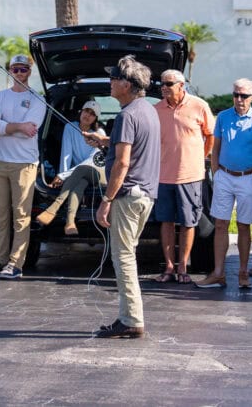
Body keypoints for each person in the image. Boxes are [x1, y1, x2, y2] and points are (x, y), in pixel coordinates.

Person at [93, 55, 160, 339]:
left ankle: (131, 320)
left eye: (115, 78)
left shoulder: (126, 116)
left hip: (128, 197)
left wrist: (106, 201)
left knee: (123, 258)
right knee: (127, 254)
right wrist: (107, 142)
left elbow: (122, 163)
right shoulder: (148, 111)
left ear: (128, 84)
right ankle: (130, 317)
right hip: (145, 195)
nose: (110, 82)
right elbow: (133, 147)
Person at [196, 78, 252, 290]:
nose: (239, 99)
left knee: (244, 225)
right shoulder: (223, 117)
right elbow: (215, 147)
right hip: (225, 176)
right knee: (220, 224)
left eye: (244, 95)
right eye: (236, 95)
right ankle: (218, 273)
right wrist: (217, 173)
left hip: (248, 177)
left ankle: (243, 272)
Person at [0, 54, 47, 280]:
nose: (19, 73)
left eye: (23, 69)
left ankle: (15, 263)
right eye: (15, 69)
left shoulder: (38, 99)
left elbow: (31, 130)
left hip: (24, 164)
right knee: (0, 215)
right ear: (10, 71)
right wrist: (19, 126)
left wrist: (6, 127)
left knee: (21, 216)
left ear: (30, 71)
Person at [154, 70, 214, 285]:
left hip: (190, 176)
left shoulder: (199, 105)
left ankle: (183, 267)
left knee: (189, 222)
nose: (164, 87)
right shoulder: (156, 109)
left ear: (181, 85)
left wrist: (201, 158)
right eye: (162, 83)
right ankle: (169, 267)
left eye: (169, 83)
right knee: (166, 221)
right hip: (163, 176)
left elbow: (210, 135)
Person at [34, 100, 106, 234]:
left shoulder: (99, 132)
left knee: (81, 169)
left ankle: (54, 208)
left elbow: (91, 161)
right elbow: (66, 154)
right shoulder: (70, 127)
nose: (88, 115)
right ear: (81, 111)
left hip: (98, 172)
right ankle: (70, 222)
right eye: (86, 111)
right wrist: (63, 175)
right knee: (80, 183)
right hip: (78, 175)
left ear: (96, 118)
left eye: (92, 114)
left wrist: (63, 175)